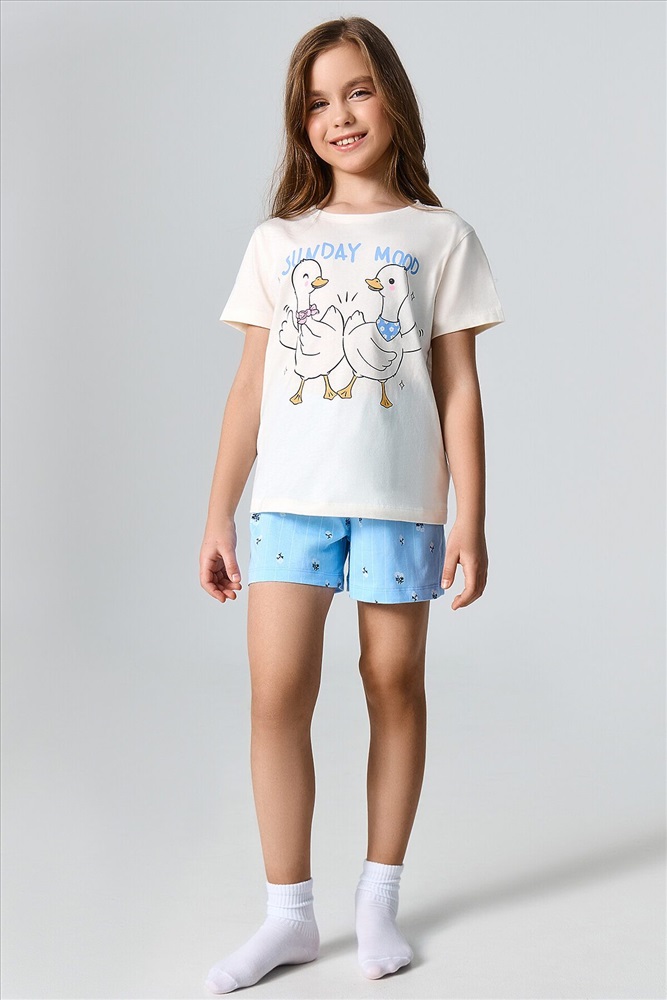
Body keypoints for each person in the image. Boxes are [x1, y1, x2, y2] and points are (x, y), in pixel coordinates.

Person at [200, 15, 505, 995]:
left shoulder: (440, 237)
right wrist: (217, 513)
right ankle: (288, 915)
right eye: (317, 102)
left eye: (357, 90)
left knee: (392, 683)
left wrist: (469, 517)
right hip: (289, 504)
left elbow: (457, 389)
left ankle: (378, 898)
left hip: (398, 506)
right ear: (301, 123)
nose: (339, 115)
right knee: (276, 695)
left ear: (392, 100)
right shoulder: (278, 241)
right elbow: (248, 388)